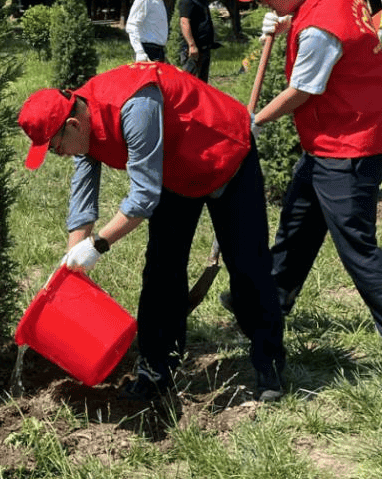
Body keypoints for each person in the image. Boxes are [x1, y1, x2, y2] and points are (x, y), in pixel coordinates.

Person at [18, 62, 287, 403]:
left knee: (248, 265)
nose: (60, 155)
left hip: (221, 151)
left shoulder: (132, 105)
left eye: (56, 148)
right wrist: (71, 263)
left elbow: (143, 196)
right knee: (162, 268)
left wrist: (98, 245)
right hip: (171, 169)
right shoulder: (80, 126)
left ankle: (269, 364)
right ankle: (156, 368)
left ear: (71, 125)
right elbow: (83, 200)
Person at [241, 0, 382, 375]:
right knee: (296, 225)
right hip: (334, 137)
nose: (263, 3)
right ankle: (267, 304)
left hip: (350, 145)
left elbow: (303, 89)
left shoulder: (319, 28)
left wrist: (253, 121)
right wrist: (284, 20)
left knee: (358, 249)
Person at [177, 0, 219, 81]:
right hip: (193, 51)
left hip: (205, 49)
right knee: (189, 81)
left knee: (202, 83)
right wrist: (191, 45)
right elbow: (184, 22)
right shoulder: (188, 0)